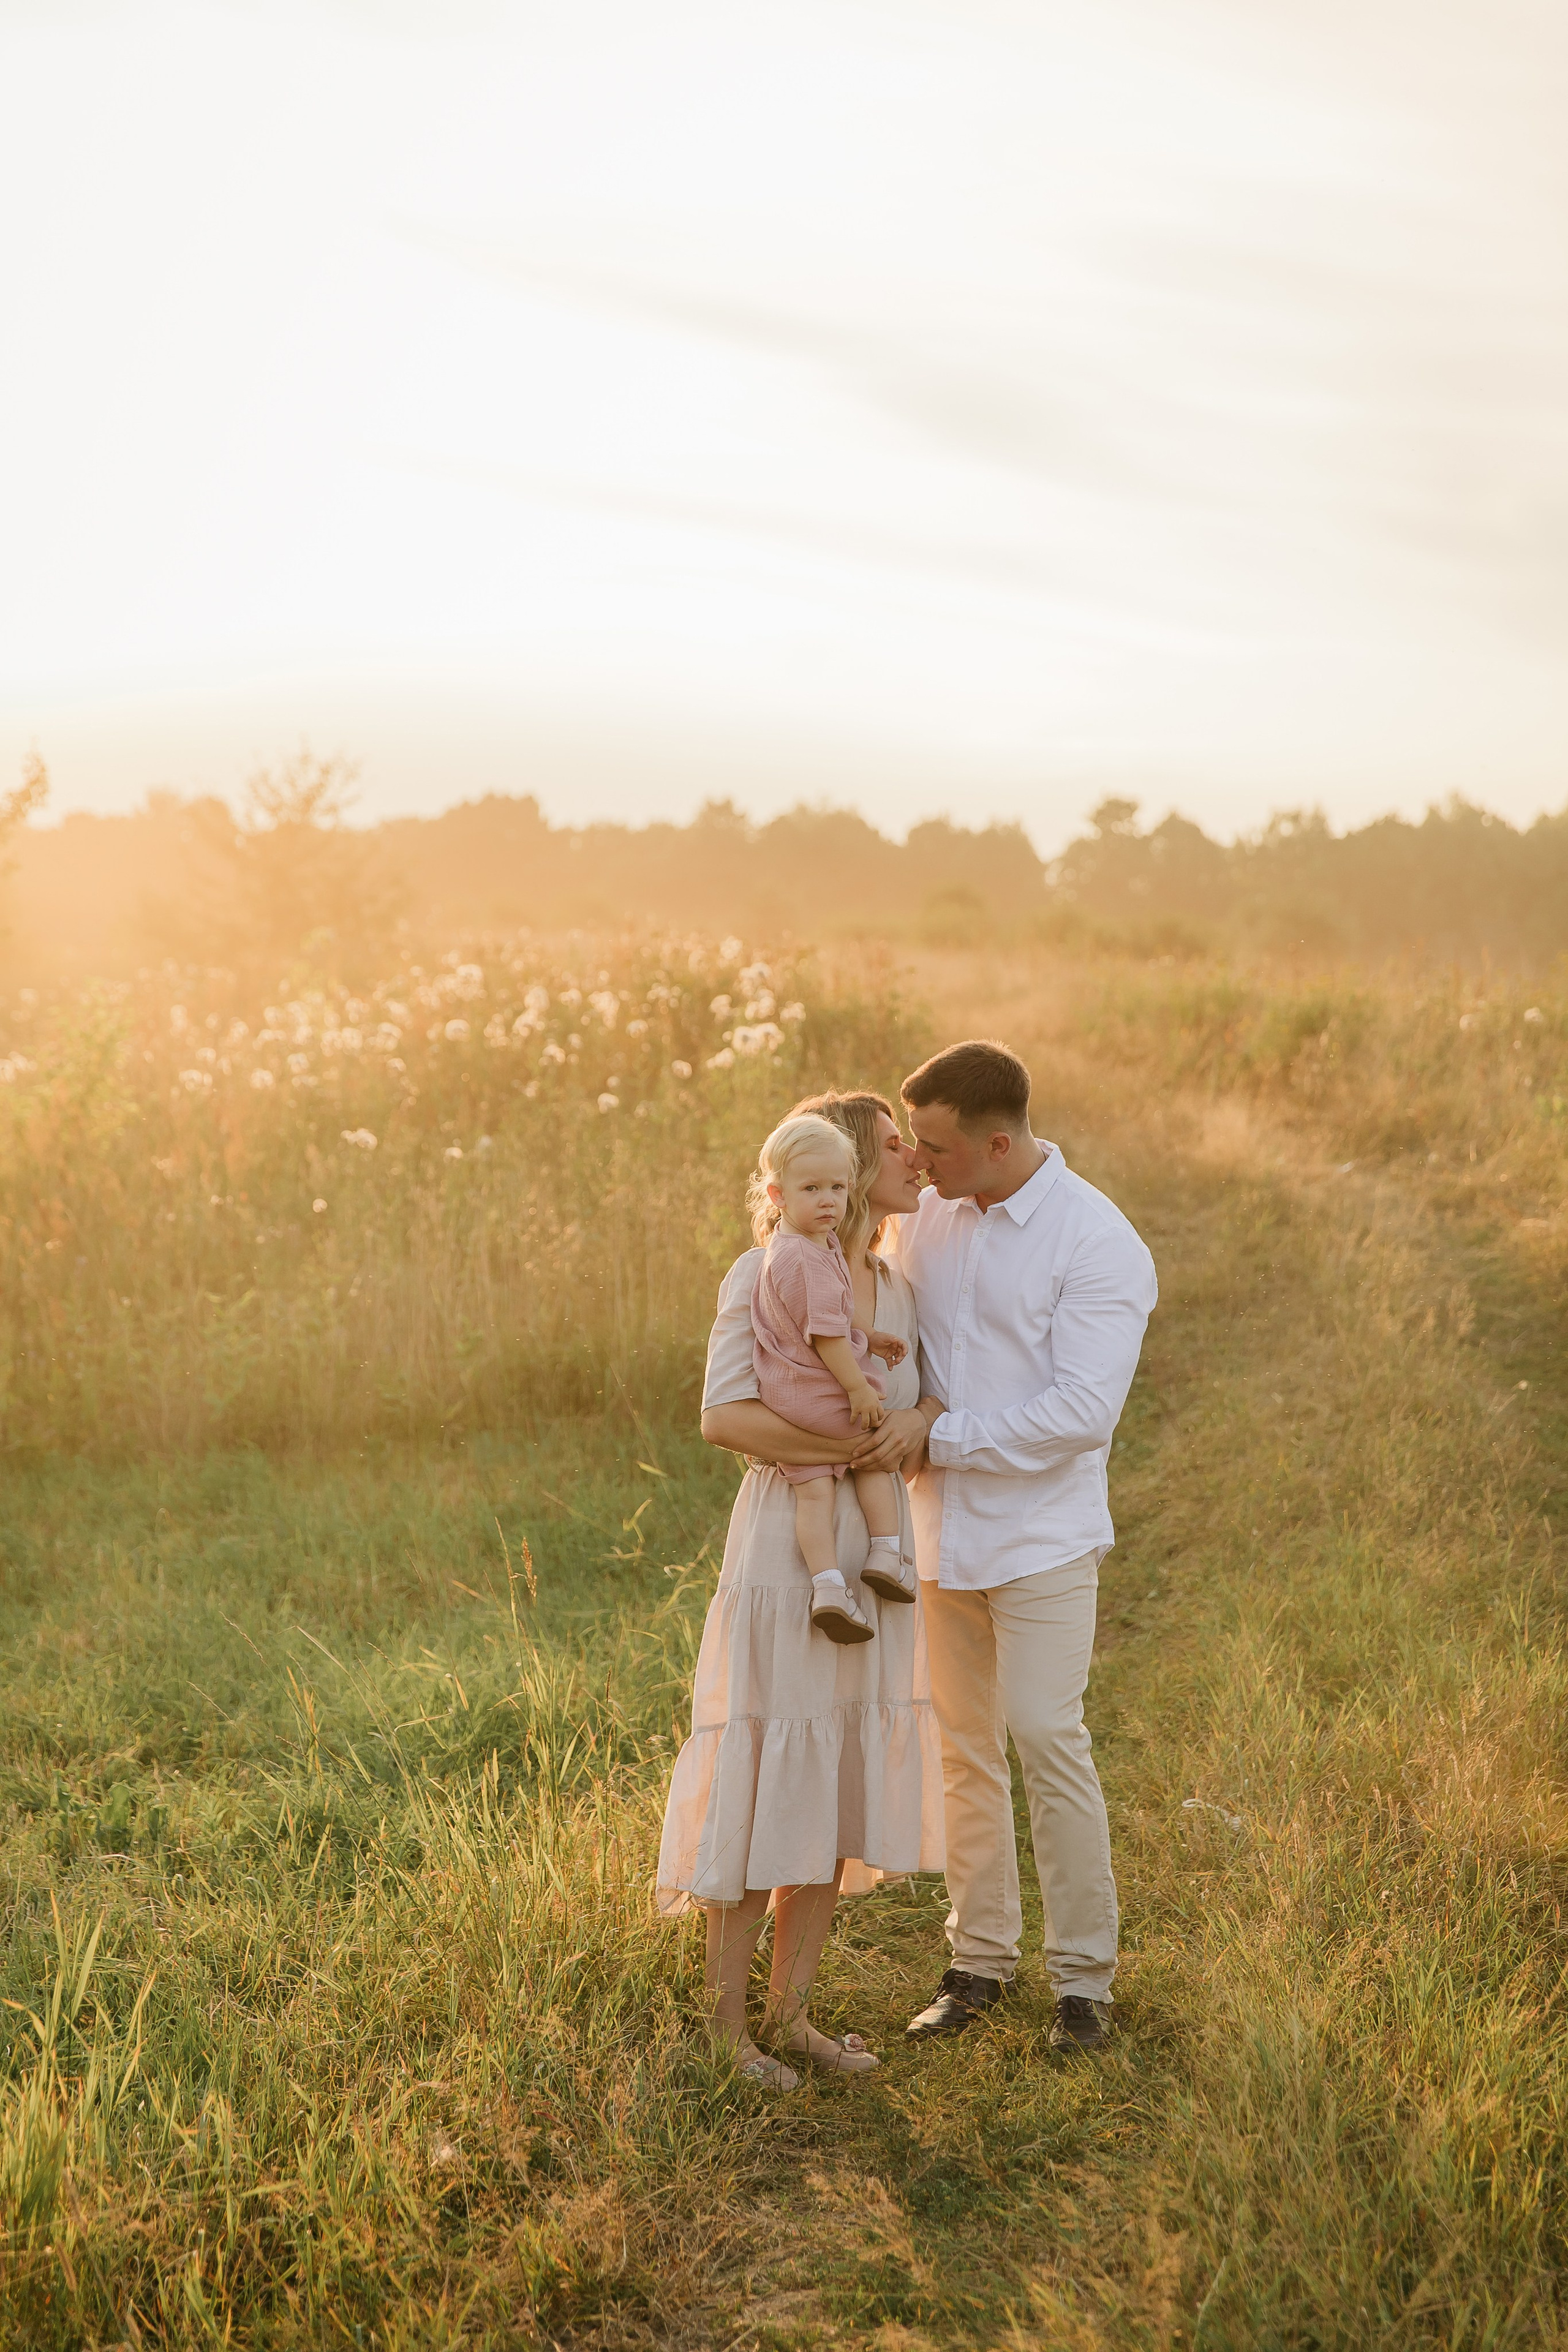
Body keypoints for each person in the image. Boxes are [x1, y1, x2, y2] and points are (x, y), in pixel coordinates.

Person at [657, 1092, 944, 2087]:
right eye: (895, 1147)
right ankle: (727, 2031)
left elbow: (928, 1398)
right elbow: (725, 1418)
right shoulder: (762, 1275)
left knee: (830, 1778)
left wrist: (915, 1423)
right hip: (791, 1545)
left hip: (875, 1554)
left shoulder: (892, 1284)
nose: (913, 1158)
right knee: (770, 1761)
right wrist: (851, 1446)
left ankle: (793, 2019)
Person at [892, 1039, 1157, 2057]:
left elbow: (1082, 1412)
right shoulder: (932, 1222)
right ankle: (979, 1964)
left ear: (998, 1143)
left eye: (937, 1150)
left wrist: (939, 1435)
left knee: (1047, 1737)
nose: (921, 1166)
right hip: (937, 1530)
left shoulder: (1098, 1241)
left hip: (1042, 1533)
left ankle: (1084, 1987)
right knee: (960, 1749)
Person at [747, 1112, 916, 1645]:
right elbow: (826, 1336)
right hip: (824, 1398)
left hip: (792, 1401)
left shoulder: (794, 1251)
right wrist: (858, 1387)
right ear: (777, 1195)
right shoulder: (812, 1258)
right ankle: (887, 1553)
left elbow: (829, 1320)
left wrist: (870, 1331)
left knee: (815, 1494)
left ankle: (827, 1586)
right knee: (872, 1446)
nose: (827, 1200)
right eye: (812, 1189)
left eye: (836, 1188)